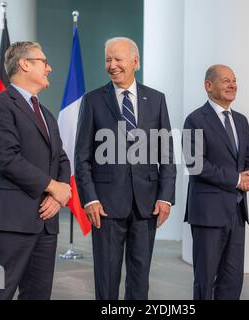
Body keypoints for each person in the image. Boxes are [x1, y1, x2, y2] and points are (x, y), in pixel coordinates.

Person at [74, 37, 176, 300]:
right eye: (108, 59)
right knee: (107, 278)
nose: (112, 65)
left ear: (135, 62)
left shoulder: (156, 99)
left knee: (140, 278)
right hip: (105, 206)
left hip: (147, 204)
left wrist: (165, 197)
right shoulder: (93, 100)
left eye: (118, 59)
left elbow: (166, 153)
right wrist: (90, 199)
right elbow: (81, 157)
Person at [0, 42, 71, 299]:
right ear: (25, 64)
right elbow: (7, 158)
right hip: (11, 224)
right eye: (44, 61)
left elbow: (61, 158)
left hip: (45, 224)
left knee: (38, 295)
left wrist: (56, 196)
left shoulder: (46, 113)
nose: (49, 68)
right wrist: (53, 186)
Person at [183, 65, 249, 300]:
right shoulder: (194, 119)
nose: (232, 85)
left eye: (234, 81)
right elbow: (195, 165)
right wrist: (237, 179)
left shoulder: (242, 120)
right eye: (226, 80)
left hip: (236, 213)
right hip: (208, 214)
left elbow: (248, 158)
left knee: (233, 280)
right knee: (205, 281)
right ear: (208, 85)